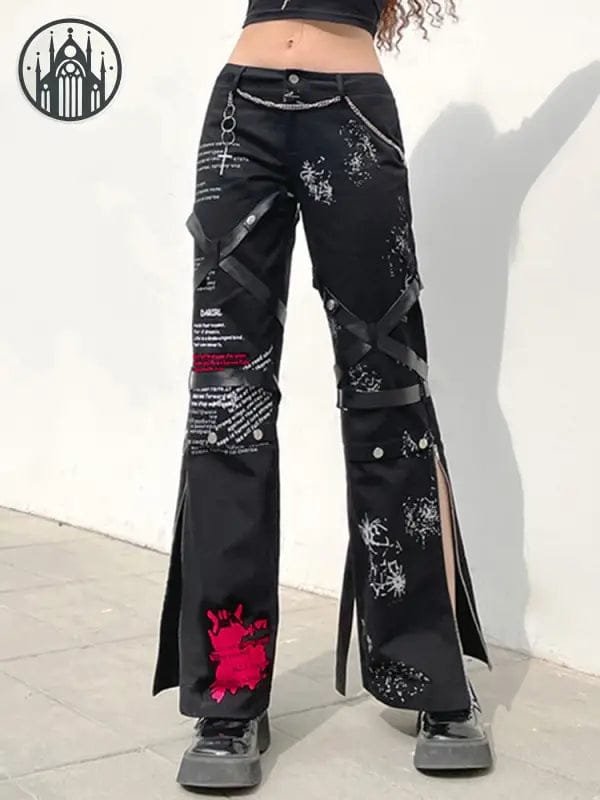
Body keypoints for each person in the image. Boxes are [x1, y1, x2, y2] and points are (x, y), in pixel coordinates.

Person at [152, 0, 494, 789]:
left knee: (390, 395)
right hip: (240, 114)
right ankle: (230, 693)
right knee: (227, 405)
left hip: (353, 117)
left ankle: (430, 674)